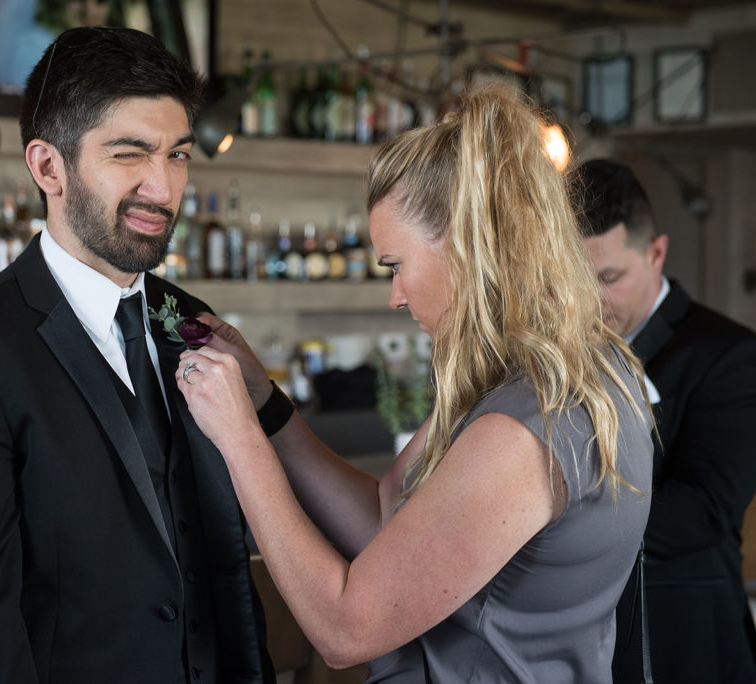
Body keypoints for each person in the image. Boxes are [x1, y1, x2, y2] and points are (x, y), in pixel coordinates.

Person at [173, 84, 654, 683]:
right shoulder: (570, 372)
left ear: (465, 246)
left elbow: (345, 630)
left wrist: (238, 439)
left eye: (396, 266)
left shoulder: (519, 428)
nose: (395, 297)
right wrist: (266, 406)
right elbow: (386, 520)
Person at [0, 26, 275, 684]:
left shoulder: (191, 321)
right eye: (131, 154)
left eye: (178, 155)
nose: (163, 186)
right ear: (48, 167)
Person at [573, 158, 756, 684]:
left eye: (609, 277)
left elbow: (703, 511)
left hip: (685, 632)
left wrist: (557, 519)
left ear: (656, 253)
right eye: (578, 279)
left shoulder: (730, 356)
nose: (592, 300)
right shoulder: (563, 354)